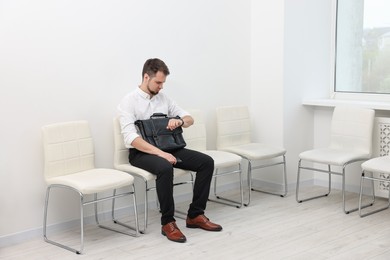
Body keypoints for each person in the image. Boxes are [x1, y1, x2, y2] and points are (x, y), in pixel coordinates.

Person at [117, 58, 222, 243]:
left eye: (163, 83)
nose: (161, 87)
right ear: (146, 76)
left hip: (169, 147)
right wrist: (161, 154)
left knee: (206, 162)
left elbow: (189, 118)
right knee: (165, 167)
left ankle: (195, 215)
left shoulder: (164, 98)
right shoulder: (129, 101)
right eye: (158, 82)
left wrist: (180, 121)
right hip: (141, 153)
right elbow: (131, 139)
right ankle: (168, 222)